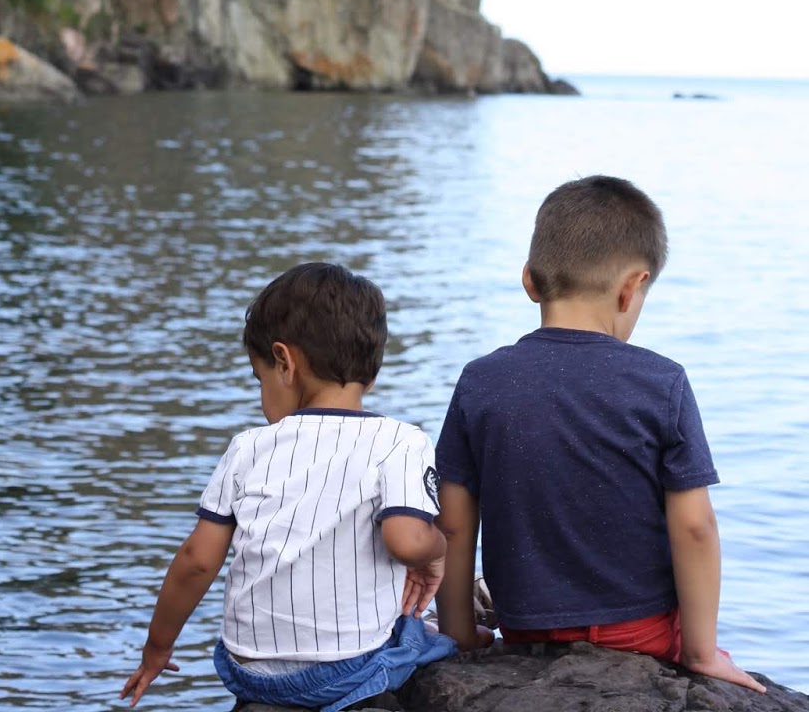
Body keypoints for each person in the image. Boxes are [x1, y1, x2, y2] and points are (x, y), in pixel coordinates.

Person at [434, 175, 764, 694]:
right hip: (640, 632)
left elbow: (453, 525)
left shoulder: (480, 380)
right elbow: (696, 527)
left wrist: (458, 633)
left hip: (523, 627)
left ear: (530, 280)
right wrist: (701, 654)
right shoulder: (663, 381)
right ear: (631, 287)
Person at [121, 261, 456, 709]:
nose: (262, 395)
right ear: (370, 375)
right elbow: (407, 540)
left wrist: (158, 648)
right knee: (422, 634)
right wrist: (437, 552)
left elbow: (197, 561)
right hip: (345, 666)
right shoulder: (401, 440)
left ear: (284, 362)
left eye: (259, 380)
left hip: (251, 672)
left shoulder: (247, 448)